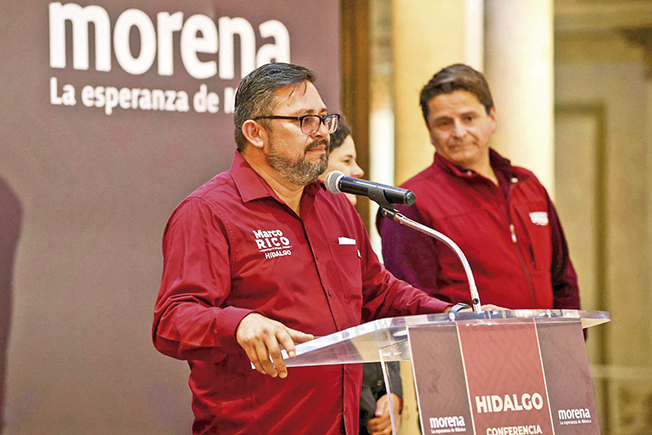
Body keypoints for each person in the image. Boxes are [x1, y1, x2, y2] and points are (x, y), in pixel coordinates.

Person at [152, 63, 481, 435]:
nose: (322, 131)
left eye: (324, 118)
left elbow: (378, 292)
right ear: (255, 132)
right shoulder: (208, 211)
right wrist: (240, 324)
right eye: (304, 120)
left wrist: (449, 314)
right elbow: (172, 320)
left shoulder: (334, 205)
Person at [377, 64, 580, 311]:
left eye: (469, 118)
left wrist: (572, 335)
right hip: (466, 338)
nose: (459, 132)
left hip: (543, 337)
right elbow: (412, 308)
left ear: (492, 118)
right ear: (430, 132)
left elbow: (563, 282)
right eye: (444, 123)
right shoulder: (410, 203)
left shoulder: (528, 185)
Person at [319, 116, 402, 435]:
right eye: (347, 161)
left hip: (364, 412)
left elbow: (376, 307)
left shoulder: (350, 223)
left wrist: (391, 391)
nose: (359, 172)